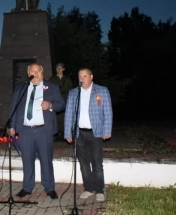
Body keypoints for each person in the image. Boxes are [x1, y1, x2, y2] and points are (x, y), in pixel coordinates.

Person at [9, 62, 65, 199]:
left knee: (46, 160)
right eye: (33, 71)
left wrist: (51, 105)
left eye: (38, 70)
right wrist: (12, 125)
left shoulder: (51, 87)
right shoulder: (21, 88)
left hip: (43, 130)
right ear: (29, 74)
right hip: (25, 130)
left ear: (42, 72)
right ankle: (27, 187)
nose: (36, 73)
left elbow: (61, 104)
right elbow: (13, 107)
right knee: (27, 160)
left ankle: (49, 188)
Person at [64, 68, 113, 202]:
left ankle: (99, 190)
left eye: (85, 76)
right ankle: (88, 188)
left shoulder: (101, 91)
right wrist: (68, 132)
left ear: (91, 77)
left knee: (97, 162)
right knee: (84, 163)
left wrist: (106, 131)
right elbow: (69, 114)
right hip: (80, 133)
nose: (82, 78)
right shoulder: (74, 93)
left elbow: (107, 112)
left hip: (95, 132)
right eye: (80, 76)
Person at [49, 63, 73, 141]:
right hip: (55, 101)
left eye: (60, 68)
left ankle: (63, 133)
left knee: (64, 117)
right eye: (57, 68)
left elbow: (71, 90)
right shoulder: (52, 79)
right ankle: (56, 133)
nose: (59, 70)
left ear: (63, 69)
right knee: (55, 117)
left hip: (65, 100)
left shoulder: (67, 79)